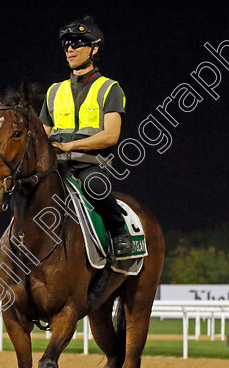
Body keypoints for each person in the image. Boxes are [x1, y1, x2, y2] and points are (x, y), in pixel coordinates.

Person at [38, 16, 135, 258]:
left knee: (94, 186)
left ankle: (119, 231)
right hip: (55, 166)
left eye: (77, 43)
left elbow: (111, 135)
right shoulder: (54, 91)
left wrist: (70, 145)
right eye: (66, 45)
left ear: (94, 49)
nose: (69, 49)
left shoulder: (110, 88)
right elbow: (43, 135)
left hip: (90, 164)